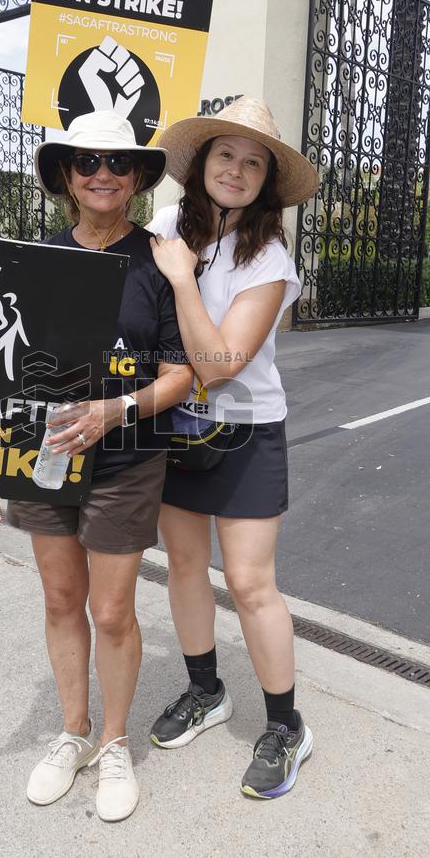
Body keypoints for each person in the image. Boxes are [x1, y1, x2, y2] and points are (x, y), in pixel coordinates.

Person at [0, 111, 192, 822]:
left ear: (136, 178)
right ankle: (73, 731)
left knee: (111, 608)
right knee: (62, 601)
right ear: (65, 174)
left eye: (117, 163)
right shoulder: (34, 260)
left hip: (125, 460)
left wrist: (113, 411)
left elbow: (183, 374)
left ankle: (115, 743)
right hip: (43, 457)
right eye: (85, 160)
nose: (102, 173)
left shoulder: (159, 260)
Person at [146, 96, 320, 799]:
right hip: (171, 426)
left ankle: (285, 726)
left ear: (266, 183)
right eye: (226, 155)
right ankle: (204, 690)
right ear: (201, 164)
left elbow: (220, 364)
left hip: (246, 431)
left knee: (249, 584)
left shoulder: (268, 258)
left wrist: (183, 278)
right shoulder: (162, 226)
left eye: (253, 163)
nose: (237, 170)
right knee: (184, 564)